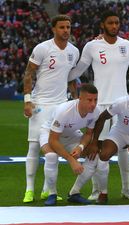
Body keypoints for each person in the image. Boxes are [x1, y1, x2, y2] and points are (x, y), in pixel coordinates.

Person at [68, 10, 129, 201]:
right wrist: (58, 76)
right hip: (99, 106)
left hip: (122, 106)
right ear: (103, 25)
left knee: (123, 148)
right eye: (110, 23)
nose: (114, 26)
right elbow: (78, 70)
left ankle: (126, 189)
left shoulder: (127, 46)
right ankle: (97, 190)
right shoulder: (92, 46)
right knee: (97, 148)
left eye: (117, 23)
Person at [22, 14, 79, 203]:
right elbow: (28, 74)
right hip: (41, 104)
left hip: (61, 105)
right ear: (53, 29)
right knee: (34, 146)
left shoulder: (74, 51)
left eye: (68, 27)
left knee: (55, 147)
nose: (65, 31)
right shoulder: (42, 48)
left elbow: (71, 79)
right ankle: (29, 189)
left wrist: (76, 101)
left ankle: (47, 190)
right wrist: (27, 101)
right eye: (62, 27)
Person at [39, 84, 100, 206]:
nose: (93, 104)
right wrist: (71, 159)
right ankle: (52, 194)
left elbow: (88, 134)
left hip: (71, 134)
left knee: (94, 156)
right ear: (79, 99)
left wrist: (80, 146)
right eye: (89, 100)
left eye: (95, 100)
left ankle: (74, 193)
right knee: (51, 156)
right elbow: (53, 140)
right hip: (50, 133)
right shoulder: (64, 110)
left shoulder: (95, 112)